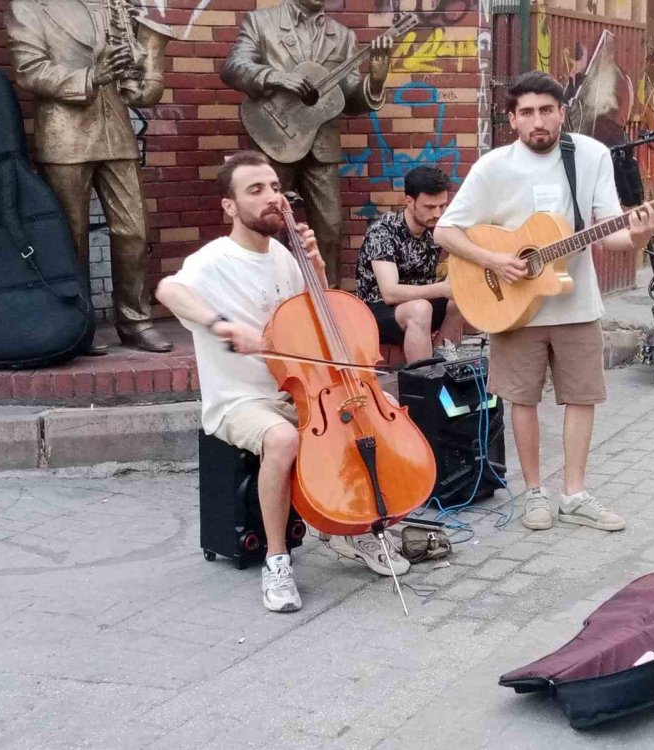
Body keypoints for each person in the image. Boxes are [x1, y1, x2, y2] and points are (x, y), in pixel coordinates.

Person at [155, 151, 409, 613]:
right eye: (256, 190)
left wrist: (315, 270)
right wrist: (220, 325)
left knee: (367, 414)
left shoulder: (284, 256)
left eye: (274, 187)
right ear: (229, 206)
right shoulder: (213, 260)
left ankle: (355, 528)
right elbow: (168, 290)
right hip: (240, 400)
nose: (272, 198)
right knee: (284, 439)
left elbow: (317, 321)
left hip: (299, 391)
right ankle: (277, 558)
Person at [433, 71, 654, 532]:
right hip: (512, 305)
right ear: (512, 119)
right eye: (527, 112)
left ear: (562, 113)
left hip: (576, 305)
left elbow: (610, 230)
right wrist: (494, 260)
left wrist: (637, 235)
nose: (539, 121)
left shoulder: (590, 155)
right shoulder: (494, 167)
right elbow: (446, 230)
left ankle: (574, 493)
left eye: (547, 111)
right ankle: (534, 493)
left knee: (582, 397)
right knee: (522, 399)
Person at [5, 0, 174, 353]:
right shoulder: (29, 7)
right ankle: (79, 325)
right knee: (72, 236)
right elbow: (29, 70)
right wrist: (90, 77)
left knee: (134, 230)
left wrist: (141, 79)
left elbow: (135, 68)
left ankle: (136, 322)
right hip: (65, 135)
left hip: (117, 130)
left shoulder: (114, 4)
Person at [220, 0, 394, 287]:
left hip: (320, 144)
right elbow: (233, 67)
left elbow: (347, 98)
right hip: (274, 140)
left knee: (330, 227)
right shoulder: (261, 22)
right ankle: (267, 298)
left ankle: (329, 301)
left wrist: (374, 82)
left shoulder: (342, 36)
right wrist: (275, 77)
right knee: (266, 223)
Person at [356, 166, 465, 363]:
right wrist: (443, 288)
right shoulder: (383, 230)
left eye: (442, 206)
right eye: (430, 207)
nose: (438, 213)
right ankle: (423, 380)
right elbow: (390, 293)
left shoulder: (436, 228)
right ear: (409, 201)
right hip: (377, 312)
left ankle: (442, 354)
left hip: (421, 305)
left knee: (460, 292)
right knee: (420, 309)